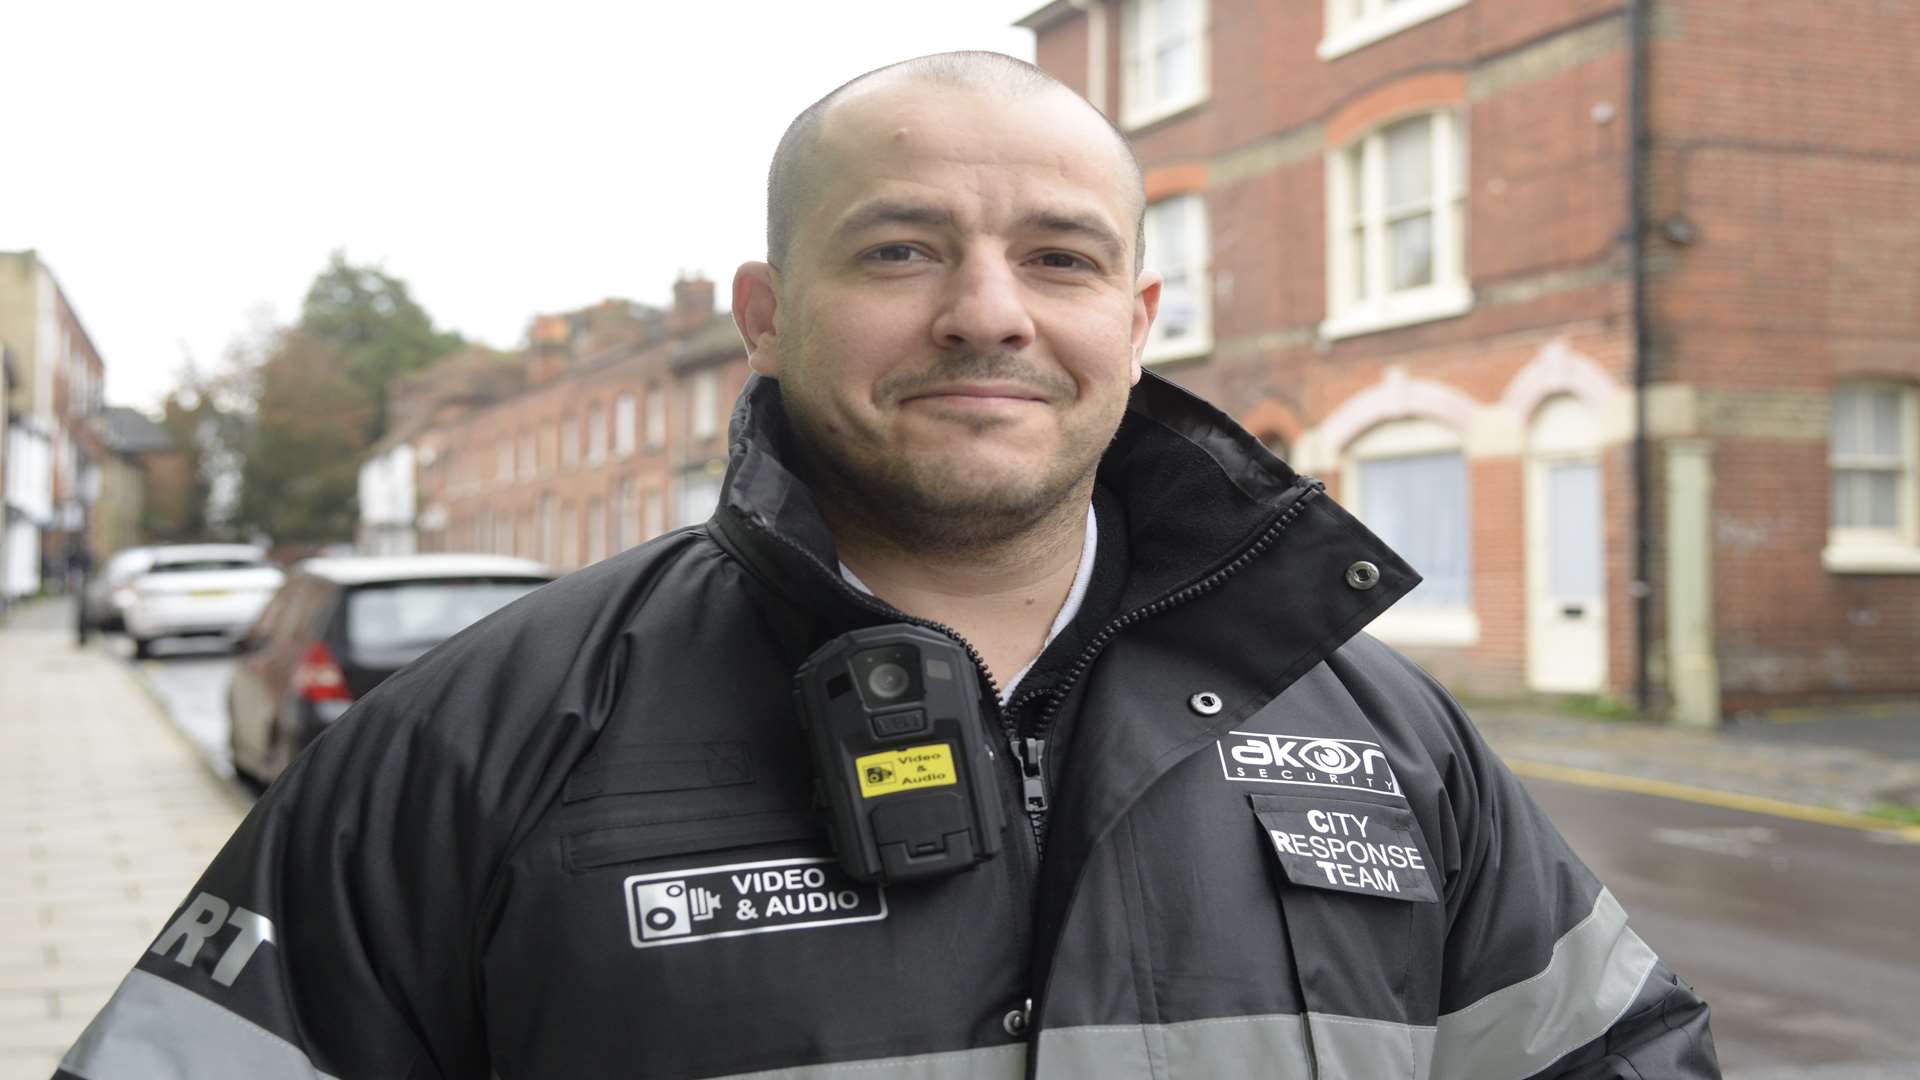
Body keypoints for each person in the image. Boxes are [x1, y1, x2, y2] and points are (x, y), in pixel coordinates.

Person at [56, 52, 1718, 1079]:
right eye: (903, 247)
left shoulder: (1387, 738)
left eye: (1058, 258)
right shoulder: (473, 743)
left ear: (1135, 330)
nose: (988, 310)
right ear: (765, 315)